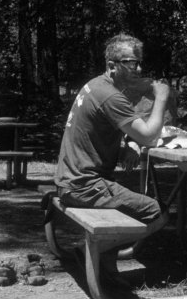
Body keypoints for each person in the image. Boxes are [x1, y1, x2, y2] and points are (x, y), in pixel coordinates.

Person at [54, 33, 172, 231]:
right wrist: (161, 97)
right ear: (112, 66)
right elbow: (150, 137)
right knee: (158, 212)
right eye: (131, 63)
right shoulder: (110, 96)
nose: (139, 69)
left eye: (139, 63)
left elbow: (113, 128)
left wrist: (129, 142)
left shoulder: (96, 85)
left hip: (71, 182)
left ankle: (111, 248)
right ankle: (103, 246)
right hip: (85, 187)